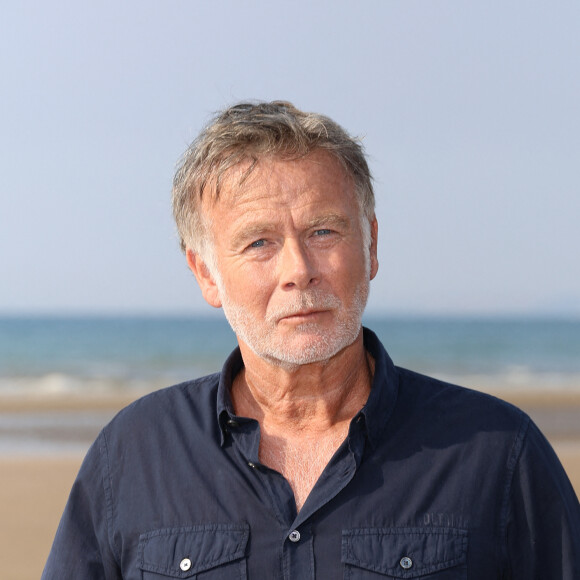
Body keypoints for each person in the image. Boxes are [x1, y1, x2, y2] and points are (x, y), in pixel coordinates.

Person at [43, 101, 579, 579]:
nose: (299, 270)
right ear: (206, 273)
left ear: (370, 246)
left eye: (324, 232)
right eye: (259, 242)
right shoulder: (134, 455)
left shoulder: (498, 453)